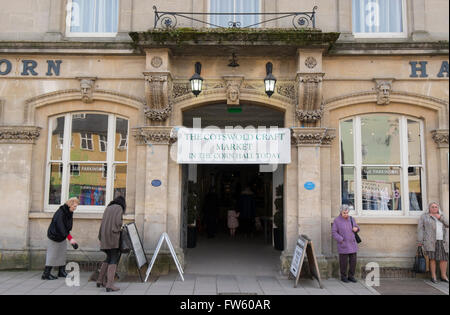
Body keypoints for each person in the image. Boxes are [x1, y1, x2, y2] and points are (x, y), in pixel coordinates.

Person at [42, 197, 79, 280]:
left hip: (62, 236)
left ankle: (61, 271)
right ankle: (46, 274)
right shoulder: (61, 213)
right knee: (52, 255)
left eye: (76, 207)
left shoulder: (69, 213)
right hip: (54, 236)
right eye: (74, 206)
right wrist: (70, 239)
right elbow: (61, 227)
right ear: (70, 205)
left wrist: (71, 240)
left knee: (62, 253)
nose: (75, 208)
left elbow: (67, 228)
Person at [98, 195, 126, 292]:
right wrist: (120, 228)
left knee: (108, 257)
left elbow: (102, 223)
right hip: (113, 237)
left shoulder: (108, 208)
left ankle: (100, 280)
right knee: (114, 258)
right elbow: (118, 222)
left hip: (104, 236)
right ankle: (110, 285)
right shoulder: (119, 208)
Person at [417, 202, 449, 283]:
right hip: (430, 241)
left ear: (438, 208)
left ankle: (443, 276)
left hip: (443, 241)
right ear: (429, 208)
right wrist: (420, 241)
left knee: (444, 259)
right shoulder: (424, 216)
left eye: (436, 207)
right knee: (432, 259)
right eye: (432, 207)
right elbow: (420, 229)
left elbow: (448, 224)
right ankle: (433, 276)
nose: (434, 208)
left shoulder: (442, 216)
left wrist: (440, 218)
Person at [332, 204, 360, 283]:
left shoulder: (351, 219)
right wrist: (341, 239)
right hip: (343, 244)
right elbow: (334, 232)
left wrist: (356, 229)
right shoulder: (337, 220)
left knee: (353, 262)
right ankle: (343, 277)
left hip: (352, 244)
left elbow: (357, 227)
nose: (346, 214)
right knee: (343, 262)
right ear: (341, 212)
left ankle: (351, 276)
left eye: (347, 213)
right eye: (344, 213)